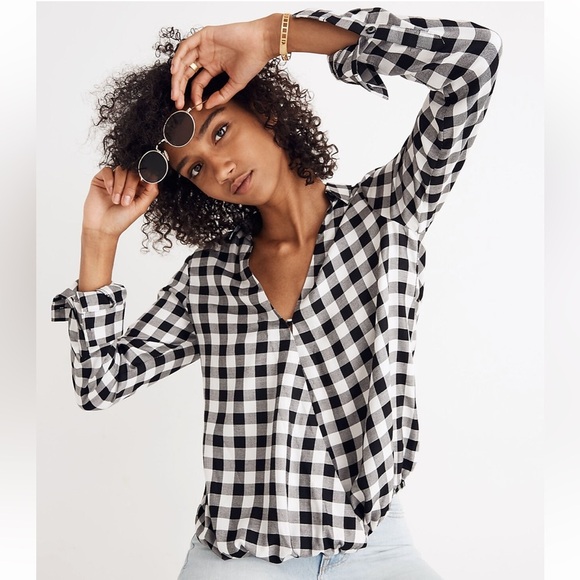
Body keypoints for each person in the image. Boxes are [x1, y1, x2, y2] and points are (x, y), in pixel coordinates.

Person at [51, 6, 502, 579]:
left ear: (264, 112)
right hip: (240, 558)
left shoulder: (388, 215)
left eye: (220, 131)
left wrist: (273, 36)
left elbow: (474, 62)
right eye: (195, 170)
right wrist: (99, 238)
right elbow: (101, 382)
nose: (220, 167)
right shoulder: (209, 278)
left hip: (373, 547)